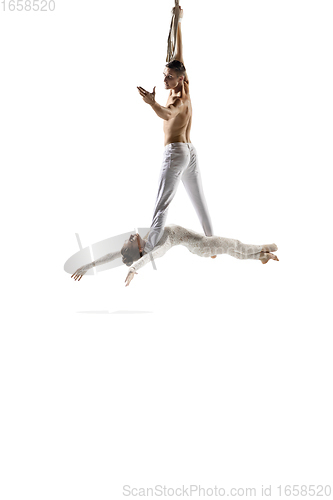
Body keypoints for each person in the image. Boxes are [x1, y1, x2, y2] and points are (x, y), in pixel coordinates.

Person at [136, 6, 217, 257]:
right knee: (200, 201)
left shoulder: (178, 99)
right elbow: (178, 54)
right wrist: (177, 20)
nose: (165, 80)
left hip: (175, 153)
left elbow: (167, 114)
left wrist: (152, 103)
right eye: (164, 75)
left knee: (162, 203)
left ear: (179, 79)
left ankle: (147, 250)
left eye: (169, 77)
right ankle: (212, 244)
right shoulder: (184, 83)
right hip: (189, 153)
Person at [71, 224, 279, 286]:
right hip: (202, 246)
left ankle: (261, 257)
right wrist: (134, 268)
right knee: (235, 245)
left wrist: (87, 266)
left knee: (232, 250)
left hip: (201, 245)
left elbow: (111, 255)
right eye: (127, 241)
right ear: (137, 249)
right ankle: (266, 249)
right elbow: (152, 256)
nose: (128, 236)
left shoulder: (151, 237)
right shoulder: (157, 245)